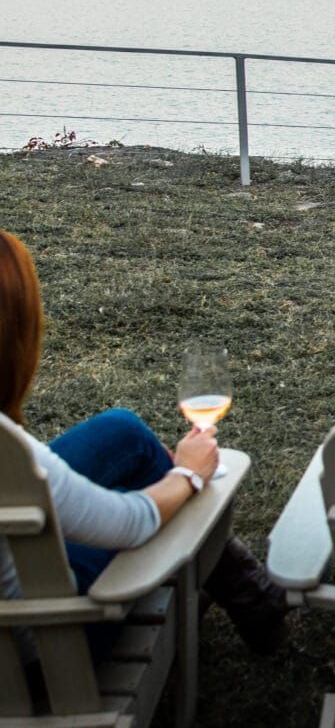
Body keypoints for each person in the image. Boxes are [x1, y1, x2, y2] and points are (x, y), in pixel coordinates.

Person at [0, 230, 287, 671]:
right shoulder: (11, 454)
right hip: (48, 641)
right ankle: (248, 591)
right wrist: (187, 475)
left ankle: (247, 589)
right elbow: (131, 523)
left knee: (123, 433)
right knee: (150, 487)